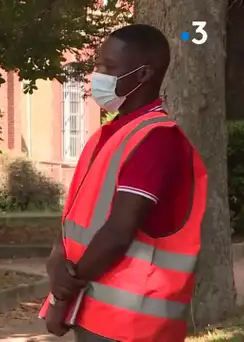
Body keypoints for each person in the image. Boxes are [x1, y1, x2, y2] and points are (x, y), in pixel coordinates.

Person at [39, 24, 207, 342]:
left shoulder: (157, 139)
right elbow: (78, 220)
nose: (97, 76)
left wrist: (62, 296)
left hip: (133, 325)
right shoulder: (111, 134)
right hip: (97, 311)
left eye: (108, 68)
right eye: (98, 66)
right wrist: (56, 263)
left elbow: (118, 232)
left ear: (143, 75)